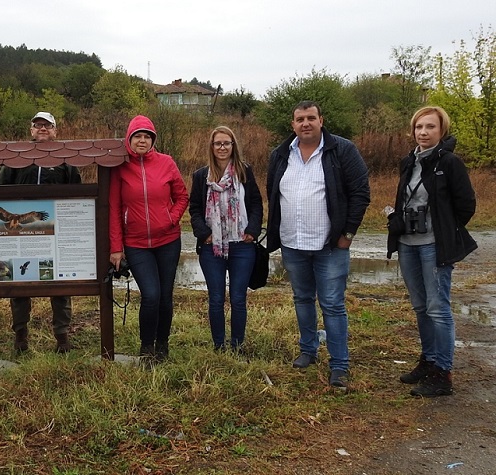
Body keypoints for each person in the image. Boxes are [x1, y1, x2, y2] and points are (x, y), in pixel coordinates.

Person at [266, 100, 370, 390]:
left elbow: (360, 192)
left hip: (331, 245)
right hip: (293, 243)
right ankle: (308, 350)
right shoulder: (280, 154)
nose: (306, 123)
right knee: (302, 299)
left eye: (311, 118)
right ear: (293, 125)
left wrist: (347, 233)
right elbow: (273, 193)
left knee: (333, 305)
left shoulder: (342, 150)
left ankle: (339, 365)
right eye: (300, 119)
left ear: (321, 120)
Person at [386, 106, 477, 397]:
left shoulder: (449, 162)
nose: (423, 132)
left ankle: (443, 373)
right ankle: (428, 361)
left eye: (430, 127)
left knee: (439, 309)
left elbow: (466, 204)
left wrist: (444, 229)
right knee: (421, 307)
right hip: (408, 245)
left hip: (434, 246)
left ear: (441, 130)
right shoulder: (409, 162)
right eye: (418, 127)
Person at [0, 112, 81, 354]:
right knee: (19, 282)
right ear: (31, 130)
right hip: (22, 235)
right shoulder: (16, 158)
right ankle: (20, 336)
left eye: (47, 125)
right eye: (38, 125)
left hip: (56, 233)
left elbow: (78, 195)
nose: (42, 129)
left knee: (60, 283)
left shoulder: (66, 160)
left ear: (56, 130)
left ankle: (62, 337)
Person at [109, 115, 189, 363]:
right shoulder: (119, 167)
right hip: (136, 244)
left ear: (153, 140)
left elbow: (182, 197)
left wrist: (170, 219)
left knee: (165, 296)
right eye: (137, 136)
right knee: (151, 295)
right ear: (129, 139)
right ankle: (147, 347)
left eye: (147, 136)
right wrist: (116, 248)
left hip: (168, 242)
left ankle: (162, 345)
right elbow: (113, 208)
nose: (142, 140)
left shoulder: (167, 163)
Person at [189, 126, 263, 352]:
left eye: (226, 143)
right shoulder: (202, 176)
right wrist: (205, 234)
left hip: (242, 245)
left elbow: (256, 203)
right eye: (217, 143)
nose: (222, 147)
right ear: (211, 147)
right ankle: (219, 345)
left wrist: (253, 229)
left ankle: (238, 344)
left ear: (233, 146)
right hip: (212, 247)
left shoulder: (244, 172)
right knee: (216, 298)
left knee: (238, 298)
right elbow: (194, 208)